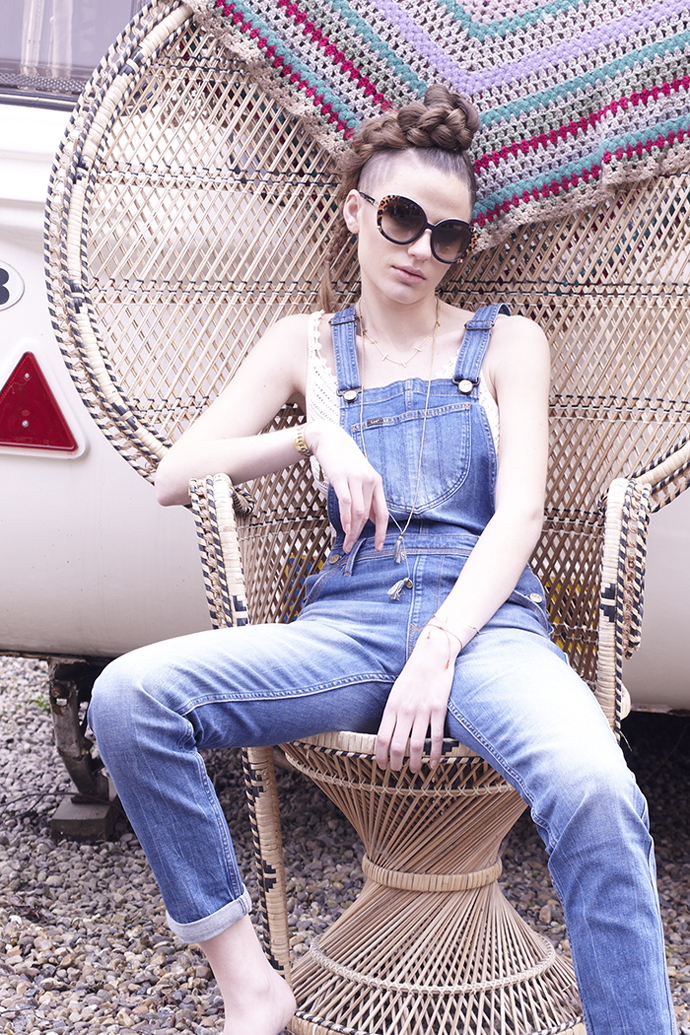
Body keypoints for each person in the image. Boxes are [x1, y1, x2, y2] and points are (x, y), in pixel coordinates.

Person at [89, 85, 677, 1035]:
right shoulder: (305, 348)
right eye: (402, 217)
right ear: (357, 208)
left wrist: (440, 649)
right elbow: (176, 472)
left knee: (598, 788)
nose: (421, 250)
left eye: (448, 236)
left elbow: (519, 514)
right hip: (347, 625)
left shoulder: (507, 343)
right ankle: (251, 983)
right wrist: (314, 438)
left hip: (486, 627)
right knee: (129, 698)